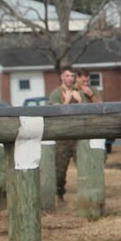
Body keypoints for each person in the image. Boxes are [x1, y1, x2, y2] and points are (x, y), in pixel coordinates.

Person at [48, 67, 83, 201]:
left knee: (84, 166)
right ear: (62, 77)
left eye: (73, 76)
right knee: (60, 169)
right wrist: (67, 102)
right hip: (63, 137)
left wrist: (79, 101)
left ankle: (84, 194)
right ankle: (59, 194)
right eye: (67, 76)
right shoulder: (56, 93)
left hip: (78, 136)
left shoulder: (78, 93)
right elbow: (53, 113)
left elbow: (87, 112)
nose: (71, 78)